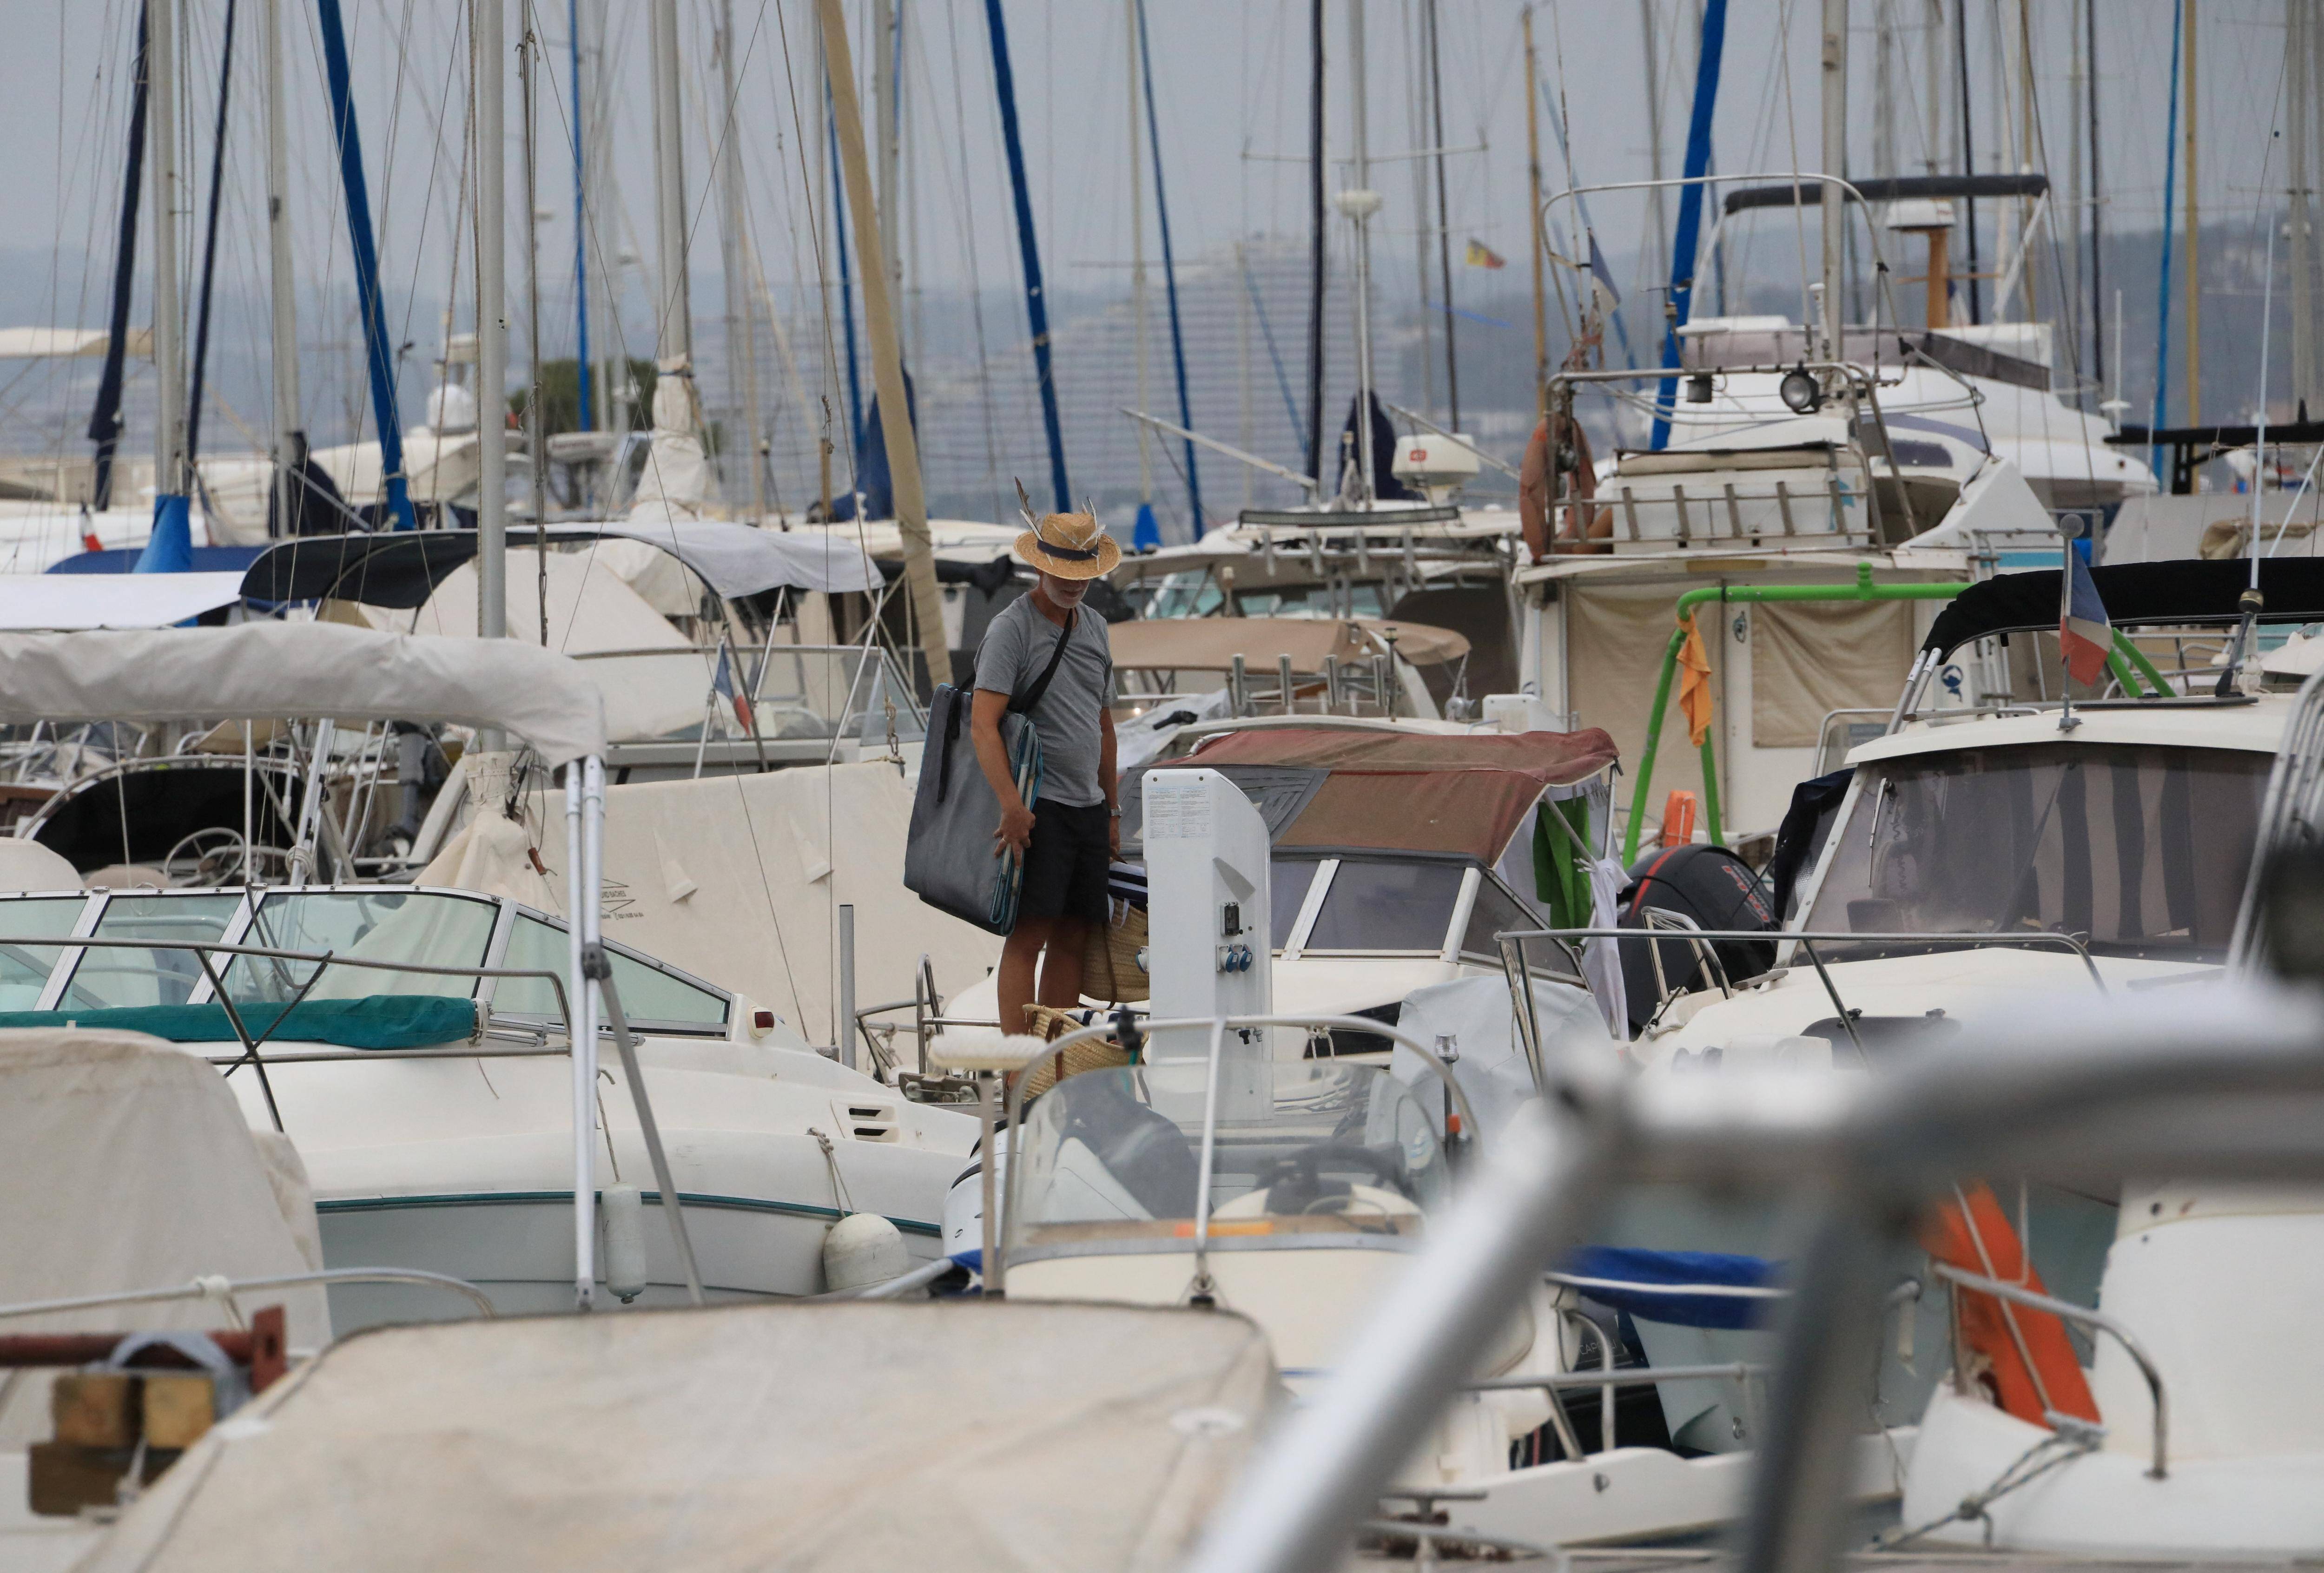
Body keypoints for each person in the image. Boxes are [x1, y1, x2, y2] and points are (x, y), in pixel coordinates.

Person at [970, 507, 1122, 1037]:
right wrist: (1012, 805)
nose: (1073, 585)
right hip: (1040, 807)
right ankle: (1018, 1068)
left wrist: (1113, 808)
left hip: (1088, 807)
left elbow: (1104, 725)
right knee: (1027, 938)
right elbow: (982, 725)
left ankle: (1055, 1059)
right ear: (1040, 567)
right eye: (1064, 574)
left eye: (1083, 576)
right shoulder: (1010, 628)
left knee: (1074, 935)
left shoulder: (1098, 628)